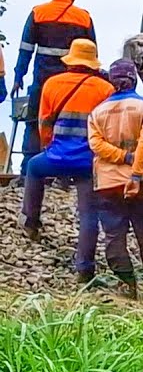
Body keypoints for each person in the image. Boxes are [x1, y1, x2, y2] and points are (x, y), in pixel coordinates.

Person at [21, 39, 114, 284]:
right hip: (89, 161)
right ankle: (85, 268)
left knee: (33, 167)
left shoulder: (52, 84)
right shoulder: (105, 89)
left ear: (70, 60)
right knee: (89, 214)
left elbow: (44, 123)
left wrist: (49, 148)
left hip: (57, 155)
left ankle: (30, 221)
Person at [87, 60, 143, 301]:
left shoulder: (96, 112)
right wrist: (136, 173)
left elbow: (96, 145)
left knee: (113, 234)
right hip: (141, 182)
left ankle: (126, 282)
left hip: (108, 183)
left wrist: (120, 156)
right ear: (134, 79)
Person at [11, 0, 95, 177]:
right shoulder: (83, 17)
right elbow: (91, 51)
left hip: (42, 79)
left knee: (34, 122)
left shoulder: (38, 13)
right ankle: (68, 172)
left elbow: (26, 49)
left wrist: (18, 76)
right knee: (71, 124)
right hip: (73, 81)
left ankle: (28, 169)